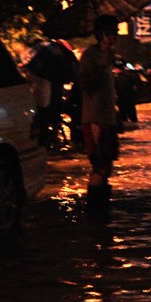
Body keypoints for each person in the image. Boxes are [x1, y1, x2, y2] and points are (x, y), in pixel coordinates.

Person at [77, 14, 121, 215]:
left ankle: (102, 212)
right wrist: (102, 64)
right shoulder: (90, 56)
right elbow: (86, 84)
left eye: (116, 32)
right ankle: (94, 212)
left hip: (108, 118)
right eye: (111, 32)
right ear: (101, 33)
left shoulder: (108, 55)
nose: (114, 36)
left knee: (107, 166)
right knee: (100, 166)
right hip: (95, 119)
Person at [23, 38, 78, 149]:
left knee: (45, 116)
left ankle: (46, 139)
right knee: (45, 116)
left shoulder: (49, 61)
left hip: (47, 101)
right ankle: (46, 139)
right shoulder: (50, 62)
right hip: (46, 101)